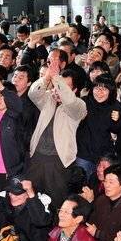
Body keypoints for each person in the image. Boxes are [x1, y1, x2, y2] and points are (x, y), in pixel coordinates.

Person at [26, 56, 87, 212]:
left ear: (74, 90)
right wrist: (48, 76)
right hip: (37, 158)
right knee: (32, 199)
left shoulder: (79, 106)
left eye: (64, 87)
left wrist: (57, 79)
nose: (57, 90)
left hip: (59, 162)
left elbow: (70, 102)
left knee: (55, 203)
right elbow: (33, 94)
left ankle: (53, 235)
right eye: (55, 86)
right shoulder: (48, 99)